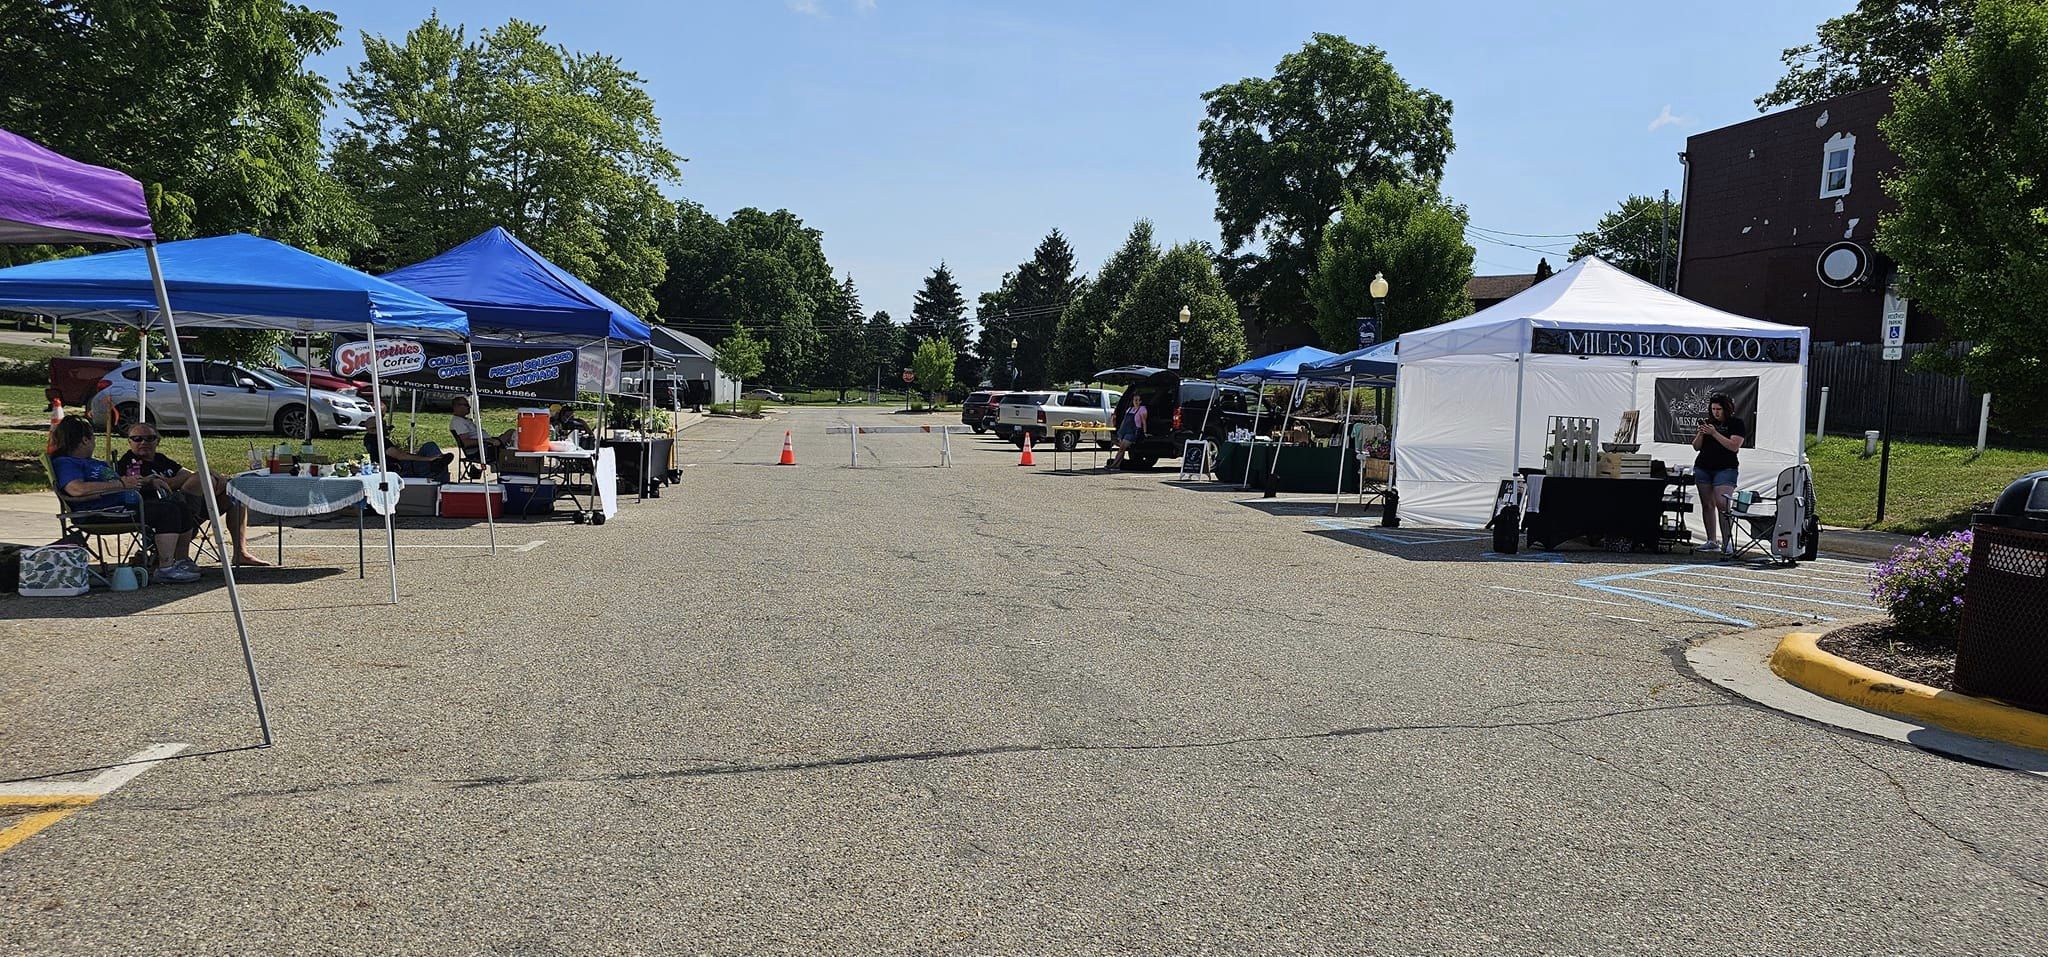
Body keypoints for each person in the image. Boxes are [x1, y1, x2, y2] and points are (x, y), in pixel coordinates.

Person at [48, 416, 202, 582]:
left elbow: (122, 483)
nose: (94, 443)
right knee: (167, 511)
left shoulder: (90, 462)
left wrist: (147, 480)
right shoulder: (67, 463)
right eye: (93, 438)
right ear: (85, 440)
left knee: (179, 505)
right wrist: (120, 484)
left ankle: (181, 561)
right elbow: (76, 489)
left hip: (121, 507)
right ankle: (165, 568)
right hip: (101, 513)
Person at [114, 423, 270, 567]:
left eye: (149, 438)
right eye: (137, 438)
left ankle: (240, 553)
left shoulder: (160, 459)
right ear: (129, 442)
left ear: (158, 441)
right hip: (162, 511)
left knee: (234, 495)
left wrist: (207, 475)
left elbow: (185, 474)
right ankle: (185, 542)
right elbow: (165, 484)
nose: (143, 442)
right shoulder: (129, 462)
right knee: (202, 478)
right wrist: (197, 477)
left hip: (186, 506)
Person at [1692, 393, 1748, 557]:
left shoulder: (1736, 423)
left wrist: (1715, 433)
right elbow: (1696, 447)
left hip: (1726, 468)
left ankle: (1727, 540)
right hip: (1703, 466)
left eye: (1719, 409)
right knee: (1707, 504)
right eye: (1713, 409)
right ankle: (1711, 540)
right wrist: (1701, 433)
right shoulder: (1709, 423)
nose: (1716, 412)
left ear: (1726, 409)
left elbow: (1733, 446)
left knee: (1722, 503)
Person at [364, 414, 453, 482]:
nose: (387, 428)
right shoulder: (378, 440)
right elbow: (399, 456)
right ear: (373, 429)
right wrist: (428, 459)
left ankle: (438, 462)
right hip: (401, 469)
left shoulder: (369, 438)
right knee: (434, 456)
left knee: (430, 446)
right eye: (384, 425)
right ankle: (438, 469)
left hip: (401, 465)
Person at [447, 396, 508, 477]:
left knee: (510, 434)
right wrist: (486, 441)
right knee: (510, 435)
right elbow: (466, 442)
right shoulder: (458, 422)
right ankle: (511, 467)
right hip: (480, 450)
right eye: (466, 405)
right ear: (456, 406)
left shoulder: (464, 420)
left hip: (486, 445)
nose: (469, 407)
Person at [1108, 391, 1149, 469]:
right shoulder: (1129, 409)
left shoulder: (1142, 410)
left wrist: (1145, 432)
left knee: (1122, 448)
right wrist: (1119, 431)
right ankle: (1117, 465)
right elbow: (1124, 421)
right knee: (1121, 449)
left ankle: (1114, 465)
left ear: (1140, 401)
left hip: (1132, 432)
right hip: (1124, 431)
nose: (1136, 402)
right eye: (1134, 400)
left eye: (1137, 400)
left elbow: (1144, 422)